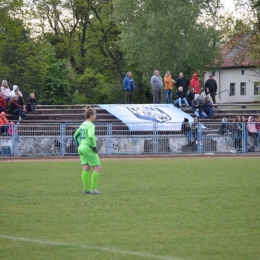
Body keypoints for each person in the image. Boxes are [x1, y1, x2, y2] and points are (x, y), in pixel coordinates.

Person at [73, 105, 102, 194]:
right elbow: (90, 136)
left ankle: (86, 190)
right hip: (88, 148)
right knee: (97, 168)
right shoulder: (91, 125)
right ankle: (93, 189)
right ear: (91, 116)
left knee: (86, 168)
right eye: (95, 115)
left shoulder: (83, 124)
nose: (95, 116)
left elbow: (75, 136)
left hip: (81, 148)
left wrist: (80, 145)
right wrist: (93, 147)